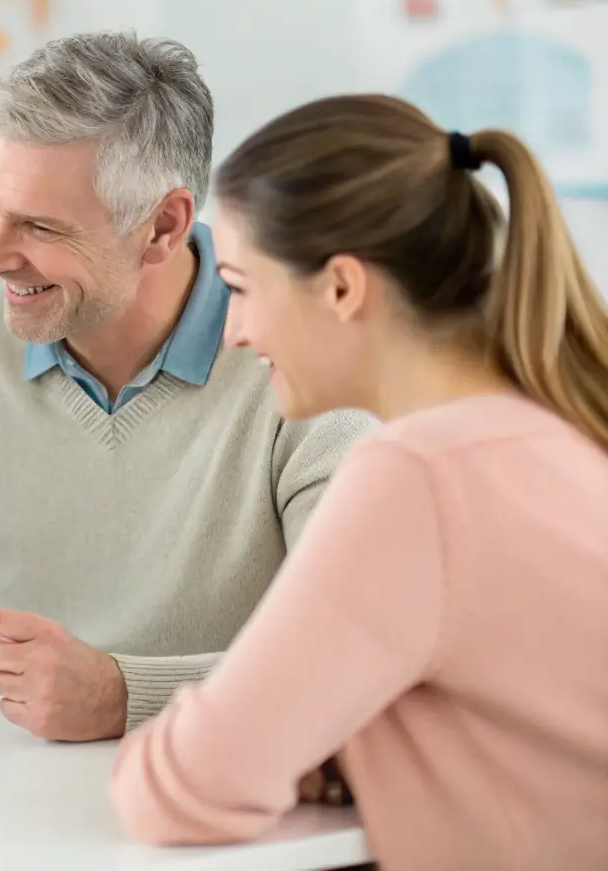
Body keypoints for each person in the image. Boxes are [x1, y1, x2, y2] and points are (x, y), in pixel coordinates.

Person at [110, 95, 608, 870]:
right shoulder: (554, 427)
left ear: (342, 287)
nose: (234, 330)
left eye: (239, 286)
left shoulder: (415, 474)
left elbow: (179, 790)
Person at [0, 31, 373, 742]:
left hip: (226, 782)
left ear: (162, 227)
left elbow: (353, 651)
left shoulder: (303, 364)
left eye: (39, 227)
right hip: (2, 774)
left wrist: (126, 694)